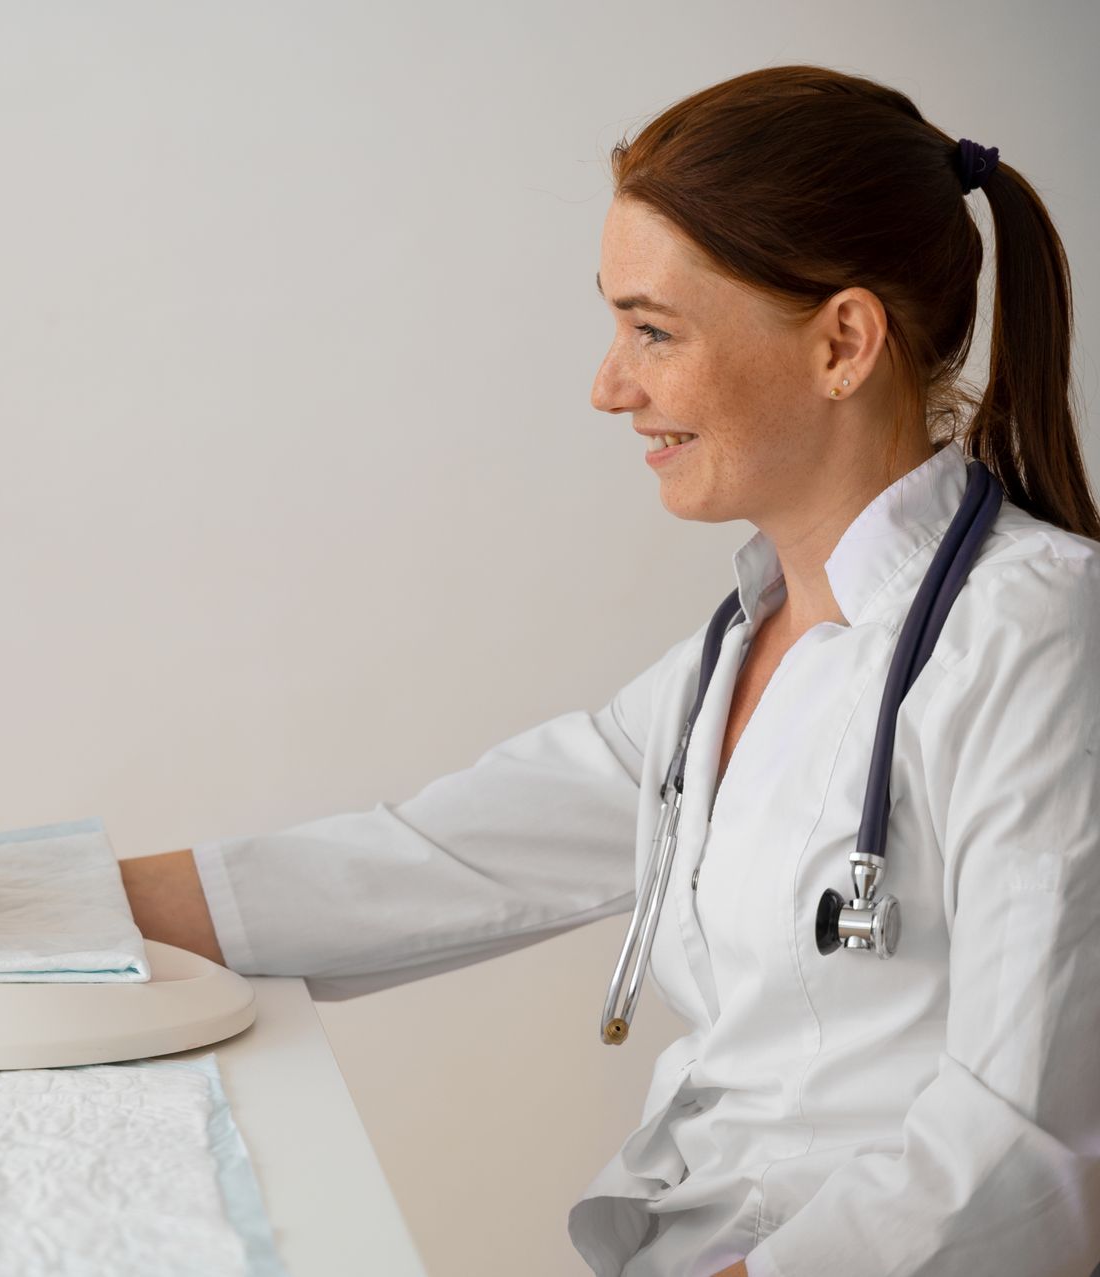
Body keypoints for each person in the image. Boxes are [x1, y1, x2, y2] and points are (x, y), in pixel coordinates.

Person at [122, 66, 1100, 1276]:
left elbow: (1030, 1137)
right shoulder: (743, 650)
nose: (608, 385)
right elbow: (438, 857)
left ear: (843, 341)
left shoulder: (1036, 634)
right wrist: (40, 911)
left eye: (654, 330)